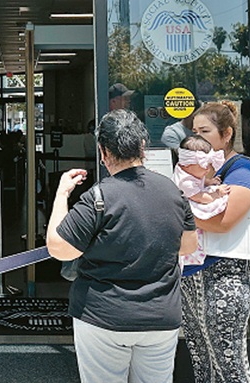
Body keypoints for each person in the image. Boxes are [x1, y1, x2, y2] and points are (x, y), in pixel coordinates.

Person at [46, 109, 197, 383]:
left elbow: (59, 248)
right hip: (161, 316)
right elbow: (188, 246)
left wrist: (62, 194)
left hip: (104, 315)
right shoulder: (173, 192)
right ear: (143, 147)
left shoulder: (99, 196)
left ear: (103, 153)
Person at [181, 100, 250, 383]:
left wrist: (178, 210)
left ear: (226, 134)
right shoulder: (195, 174)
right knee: (202, 364)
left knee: (230, 367)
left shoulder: (242, 170)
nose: (197, 137)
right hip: (192, 279)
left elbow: (223, 222)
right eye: (194, 130)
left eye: (205, 131)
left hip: (225, 280)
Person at [172, 135, 228, 266]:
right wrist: (217, 194)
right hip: (184, 212)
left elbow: (200, 181)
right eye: (204, 165)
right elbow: (201, 198)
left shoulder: (192, 172)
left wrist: (208, 182)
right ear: (188, 164)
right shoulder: (185, 182)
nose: (208, 169)